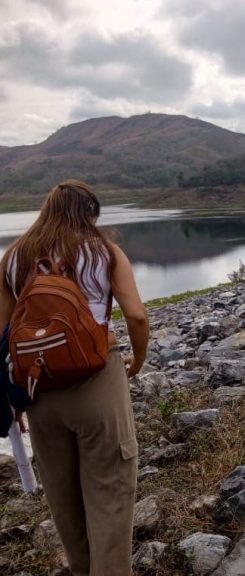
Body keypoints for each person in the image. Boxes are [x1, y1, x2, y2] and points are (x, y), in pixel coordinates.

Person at [0, 180, 148, 576]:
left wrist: (10, 399)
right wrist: (139, 358)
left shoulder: (14, 257)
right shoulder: (104, 252)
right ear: (91, 214)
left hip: (37, 390)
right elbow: (136, 315)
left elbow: (2, 335)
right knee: (111, 492)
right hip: (96, 379)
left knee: (64, 499)